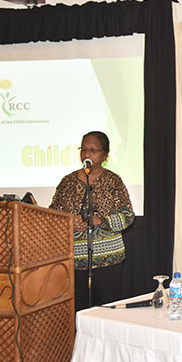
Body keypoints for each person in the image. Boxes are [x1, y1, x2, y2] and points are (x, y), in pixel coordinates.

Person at [49, 131, 135, 311]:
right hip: (75, 262)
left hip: (108, 261)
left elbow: (127, 216)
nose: (87, 154)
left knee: (106, 313)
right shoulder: (68, 182)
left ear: (105, 155)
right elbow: (53, 216)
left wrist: (98, 221)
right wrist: (70, 222)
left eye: (93, 150)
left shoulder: (113, 181)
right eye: (84, 149)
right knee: (78, 312)